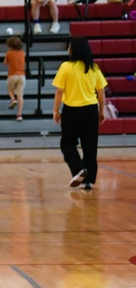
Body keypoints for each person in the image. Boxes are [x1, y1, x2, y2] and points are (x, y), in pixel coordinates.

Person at [52, 37, 107, 190]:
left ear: (73, 50)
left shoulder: (66, 67)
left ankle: (78, 169)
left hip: (72, 111)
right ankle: (88, 180)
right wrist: (101, 111)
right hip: (90, 111)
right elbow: (101, 92)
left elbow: (59, 91)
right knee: (90, 146)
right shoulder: (93, 68)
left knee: (67, 144)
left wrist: (55, 110)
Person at [5, 35, 26, 121]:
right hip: (22, 75)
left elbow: (5, 62)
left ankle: (13, 99)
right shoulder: (22, 53)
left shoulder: (9, 53)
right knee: (20, 95)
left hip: (12, 75)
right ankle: (19, 114)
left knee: (10, 89)